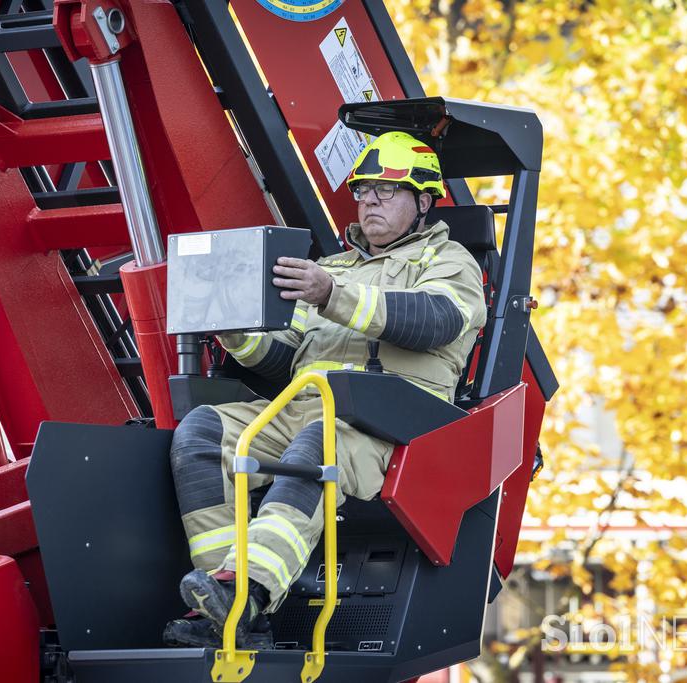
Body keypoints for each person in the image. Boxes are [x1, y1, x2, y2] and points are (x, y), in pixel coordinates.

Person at [163, 131, 488, 649]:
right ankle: (226, 603)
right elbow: (280, 359)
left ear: (425, 202)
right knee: (202, 433)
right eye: (363, 190)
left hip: (388, 423)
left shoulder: (449, 262)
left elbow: (434, 321)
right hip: (303, 404)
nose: (370, 200)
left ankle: (249, 588)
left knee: (316, 447)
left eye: (387, 189)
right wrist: (233, 329)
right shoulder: (332, 266)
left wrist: (332, 294)